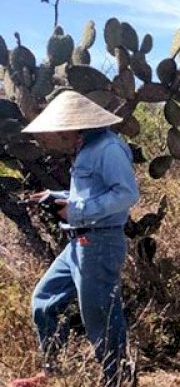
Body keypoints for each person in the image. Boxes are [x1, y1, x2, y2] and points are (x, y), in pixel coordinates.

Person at [12, 91, 139, 387]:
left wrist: (76, 210)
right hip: (79, 242)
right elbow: (91, 194)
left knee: (99, 314)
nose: (59, 134)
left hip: (100, 242)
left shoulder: (108, 148)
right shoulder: (88, 147)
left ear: (78, 124)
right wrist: (54, 196)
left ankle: (117, 379)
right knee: (44, 301)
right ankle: (55, 372)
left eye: (63, 128)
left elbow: (126, 194)